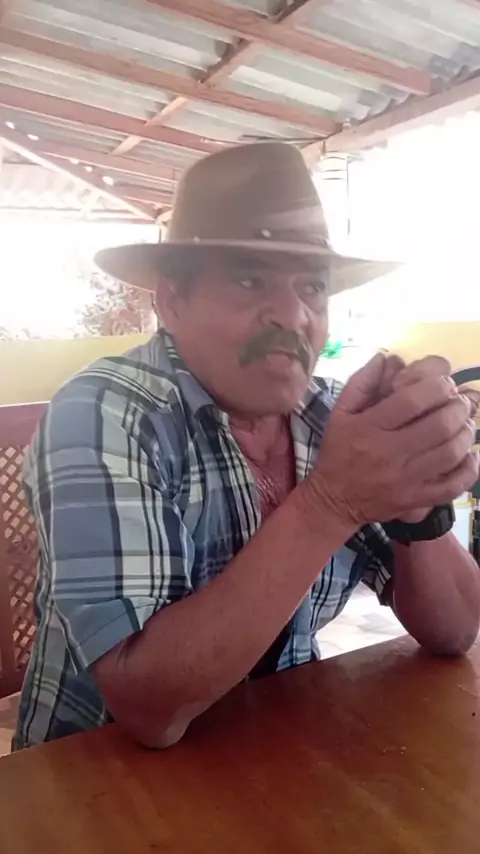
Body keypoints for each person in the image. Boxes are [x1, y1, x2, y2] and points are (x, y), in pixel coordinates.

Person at [15, 142, 480, 751]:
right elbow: (148, 708)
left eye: (312, 286)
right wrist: (332, 502)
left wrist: (414, 500)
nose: (292, 314)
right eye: (249, 279)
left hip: (271, 750)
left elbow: (455, 631)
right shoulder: (108, 412)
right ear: (172, 301)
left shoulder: (334, 417)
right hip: (91, 776)